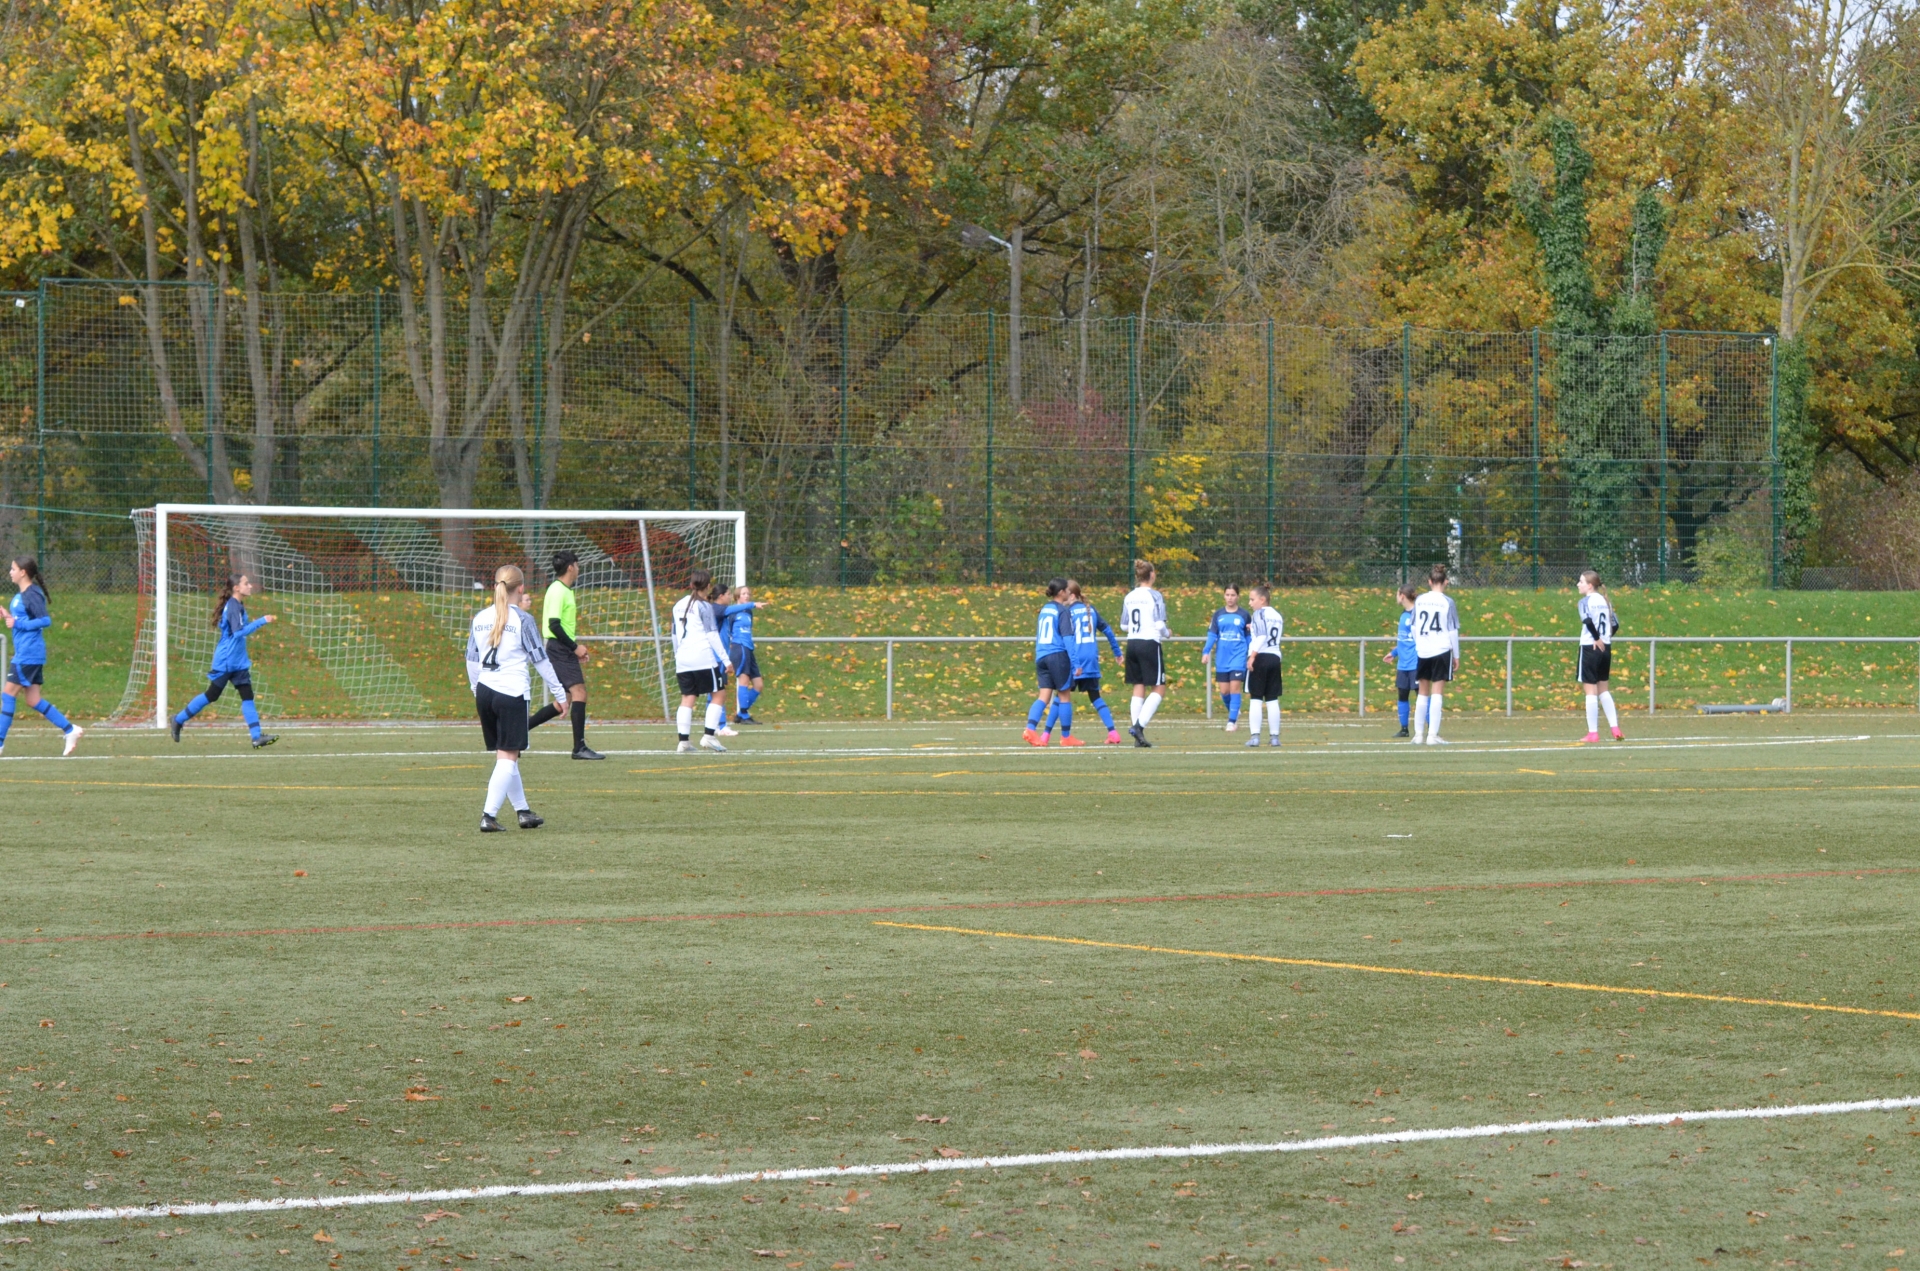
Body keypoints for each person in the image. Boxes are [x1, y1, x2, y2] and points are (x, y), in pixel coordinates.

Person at [466, 564, 567, 832]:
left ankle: (523, 811)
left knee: (507, 755)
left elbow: (471, 660)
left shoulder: (480, 618)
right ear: (520, 588)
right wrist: (560, 693)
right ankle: (488, 815)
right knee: (508, 757)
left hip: (486, 691)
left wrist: (477, 689)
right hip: (510, 692)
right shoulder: (523, 619)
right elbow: (540, 660)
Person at [169, 573, 279, 748]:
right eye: (246, 583)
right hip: (227, 661)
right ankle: (178, 719)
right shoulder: (233, 606)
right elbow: (238, 633)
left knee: (247, 696)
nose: (250, 586)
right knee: (211, 695)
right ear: (236, 588)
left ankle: (256, 737)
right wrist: (262, 620)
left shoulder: (238, 605)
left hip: (238, 662)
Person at [0, 557, 82, 757]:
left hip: (28, 654)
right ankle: (70, 730)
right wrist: (8, 616)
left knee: (8, 694)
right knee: (33, 699)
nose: (10, 572)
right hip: (28, 653)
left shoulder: (31, 594)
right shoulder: (23, 595)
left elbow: (45, 620)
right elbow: (23, 618)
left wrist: (18, 624)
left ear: (23, 573)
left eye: (13, 569)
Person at [528, 551, 604, 760]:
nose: (578, 569)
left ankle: (520, 731)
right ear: (570, 567)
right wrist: (574, 647)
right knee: (579, 693)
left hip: (561, 647)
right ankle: (579, 748)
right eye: (577, 565)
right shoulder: (557, 590)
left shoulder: (565, 590)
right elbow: (553, 624)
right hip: (559, 648)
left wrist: (574, 649)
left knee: (565, 700)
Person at [671, 569, 733, 753]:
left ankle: (683, 742)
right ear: (707, 586)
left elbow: (674, 634)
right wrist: (726, 660)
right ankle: (709, 736)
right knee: (719, 694)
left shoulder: (678, 605)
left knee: (687, 698)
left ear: (691, 585)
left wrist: (677, 656)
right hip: (702, 658)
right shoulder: (704, 606)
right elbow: (712, 635)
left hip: (683, 658)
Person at [1064, 580, 1124, 744]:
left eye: (1065, 594)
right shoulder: (1091, 610)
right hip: (1091, 659)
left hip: (1075, 659)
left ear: (1073, 595)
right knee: (1095, 696)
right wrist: (1117, 652)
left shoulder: (1067, 612)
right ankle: (1113, 732)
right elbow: (1108, 631)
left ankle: (1050, 735)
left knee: (1061, 697)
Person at [1119, 559, 1171, 747]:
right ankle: (1139, 727)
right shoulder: (1155, 596)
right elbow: (1159, 623)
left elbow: (1123, 625)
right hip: (1149, 643)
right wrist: (1167, 633)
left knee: (1138, 686)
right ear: (1152, 575)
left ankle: (1137, 737)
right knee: (1159, 687)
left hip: (1132, 643)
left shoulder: (1130, 596)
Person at [1410, 564, 1459, 746]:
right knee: (1437, 693)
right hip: (1442, 650)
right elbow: (1452, 631)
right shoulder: (1448, 602)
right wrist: (1456, 656)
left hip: (1423, 651)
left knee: (1422, 693)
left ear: (1429, 582)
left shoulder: (1420, 600)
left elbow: (1414, 627)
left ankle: (1418, 735)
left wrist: (1419, 644)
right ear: (1446, 582)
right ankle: (1433, 736)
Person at [1023, 578, 1073, 746]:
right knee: (1064, 695)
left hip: (1041, 655)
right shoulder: (1062, 610)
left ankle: (1030, 729)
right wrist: (1076, 662)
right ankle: (1066, 737)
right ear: (1061, 592)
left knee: (1044, 696)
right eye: (1066, 590)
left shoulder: (1045, 609)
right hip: (1057, 655)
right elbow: (1067, 638)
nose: (1068, 593)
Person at [1577, 570, 1624, 742]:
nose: (1578, 584)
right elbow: (1615, 624)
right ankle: (1615, 728)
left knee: (1590, 691)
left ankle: (1593, 733)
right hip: (1606, 648)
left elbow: (1587, 620)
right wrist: (1605, 639)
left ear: (1590, 585)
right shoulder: (1606, 601)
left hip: (1591, 647)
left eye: (1581, 581)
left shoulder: (1585, 601)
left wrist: (1596, 639)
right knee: (1604, 689)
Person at [1201, 584, 1250, 732]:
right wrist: (1206, 651)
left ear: (1238, 596)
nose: (1230, 598)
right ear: (1224, 596)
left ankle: (1231, 721)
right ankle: (1234, 710)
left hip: (1238, 656)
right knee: (1224, 691)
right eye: (1227, 595)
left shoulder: (1244, 615)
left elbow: (1248, 637)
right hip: (1222, 657)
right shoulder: (1218, 615)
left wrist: (1251, 653)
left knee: (1235, 688)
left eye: (1233, 595)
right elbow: (1212, 635)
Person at [1244, 584, 1284, 747]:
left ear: (1262, 599)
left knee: (1256, 697)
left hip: (1261, 657)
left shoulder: (1258, 613)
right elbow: (1267, 632)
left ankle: (1255, 736)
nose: (1250, 603)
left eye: (1252, 599)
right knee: (1272, 698)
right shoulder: (1277, 615)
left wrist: (1252, 656)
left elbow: (1261, 636)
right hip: (1275, 657)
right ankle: (1274, 737)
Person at [1379, 584, 1420, 738]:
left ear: (1402, 595)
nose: (1396, 597)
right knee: (1402, 695)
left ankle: (1430, 729)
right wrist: (1394, 653)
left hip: (1416, 663)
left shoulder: (1418, 615)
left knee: (1421, 696)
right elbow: (1404, 640)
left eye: (1397, 594)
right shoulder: (1403, 615)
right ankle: (1404, 729)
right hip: (1403, 665)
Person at [723, 584, 764, 724]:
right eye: (744, 593)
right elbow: (727, 631)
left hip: (748, 648)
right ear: (737, 596)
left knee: (758, 685)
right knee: (744, 681)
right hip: (739, 648)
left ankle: (741, 713)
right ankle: (744, 716)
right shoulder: (733, 612)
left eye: (748, 593)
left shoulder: (748, 612)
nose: (747, 595)